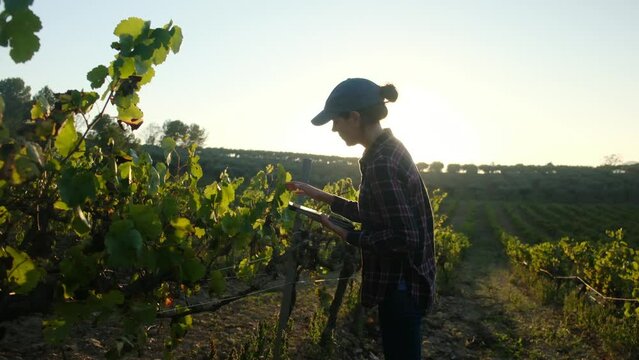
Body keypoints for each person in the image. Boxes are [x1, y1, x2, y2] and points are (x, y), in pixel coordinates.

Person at [286, 78, 436, 359]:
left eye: (336, 121)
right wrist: (324, 197)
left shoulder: (381, 163)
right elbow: (379, 215)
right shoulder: (388, 151)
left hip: (400, 288)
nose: (334, 129)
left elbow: (404, 239)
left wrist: (348, 235)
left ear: (354, 117)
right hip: (405, 285)